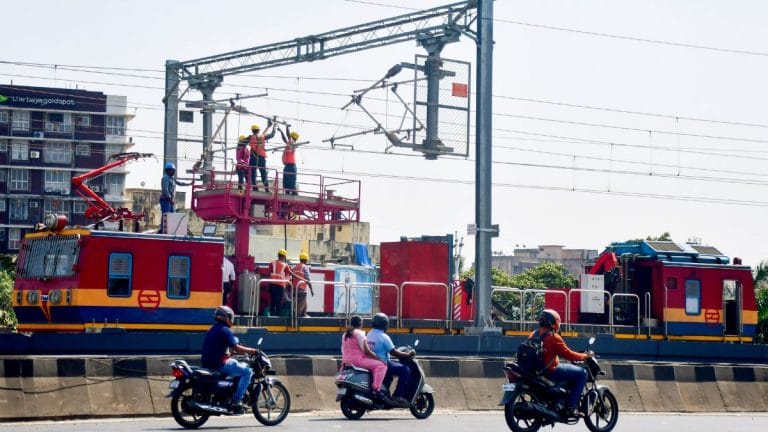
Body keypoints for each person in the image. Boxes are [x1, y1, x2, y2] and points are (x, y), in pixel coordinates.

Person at [532, 309, 593, 418]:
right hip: (551, 370)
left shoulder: (533, 334)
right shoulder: (553, 337)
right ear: (553, 322)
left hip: (537, 370)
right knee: (582, 373)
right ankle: (571, 408)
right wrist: (585, 356)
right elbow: (569, 355)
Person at [200, 305, 259, 414]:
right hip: (219, 364)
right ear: (227, 317)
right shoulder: (225, 330)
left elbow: (220, 347)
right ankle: (236, 402)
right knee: (248, 372)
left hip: (208, 363)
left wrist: (230, 352)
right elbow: (236, 347)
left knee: (237, 365)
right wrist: (253, 351)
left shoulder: (213, 329)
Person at [366, 312, 412, 406]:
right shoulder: (384, 337)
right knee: (405, 370)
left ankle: (385, 394)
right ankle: (398, 396)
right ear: (385, 324)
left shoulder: (369, 334)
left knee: (389, 377)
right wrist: (408, 354)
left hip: (371, 363)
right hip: (383, 363)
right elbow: (393, 352)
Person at [340, 315, 388, 400]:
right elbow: (367, 351)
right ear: (361, 324)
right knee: (381, 366)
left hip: (346, 361)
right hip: (358, 360)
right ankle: (376, 388)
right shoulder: (360, 334)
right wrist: (379, 359)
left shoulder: (345, 334)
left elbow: (343, 349)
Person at [159, 161, 190, 233]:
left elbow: (179, 183)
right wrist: (169, 198)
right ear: (167, 170)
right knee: (166, 215)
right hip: (165, 200)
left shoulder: (172, 178)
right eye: (170, 170)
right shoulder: (166, 178)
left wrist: (188, 184)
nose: (172, 171)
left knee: (172, 215)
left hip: (170, 200)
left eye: (173, 170)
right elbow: (165, 189)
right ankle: (163, 230)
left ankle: (171, 230)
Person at [249, 121, 276, 192]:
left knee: (253, 173)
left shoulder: (251, 137)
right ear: (258, 130)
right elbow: (272, 135)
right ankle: (266, 189)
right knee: (263, 173)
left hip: (253, 158)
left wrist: (268, 127)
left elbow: (244, 142)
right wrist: (274, 127)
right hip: (261, 158)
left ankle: (255, 188)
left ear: (252, 130)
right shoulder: (262, 137)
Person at [278, 126, 300, 196]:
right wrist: (281, 131)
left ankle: (294, 194)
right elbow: (285, 138)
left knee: (290, 183)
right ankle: (288, 196)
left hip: (291, 166)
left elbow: (287, 136)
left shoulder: (292, 143)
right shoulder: (289, 143)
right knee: (286, 183)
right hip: (288, 166)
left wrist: (287, 128)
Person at [292, 252, 314, 317]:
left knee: (304, 301)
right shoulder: (305, 267)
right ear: (305, 260)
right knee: (301, 302)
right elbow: (308, 280)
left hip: (295, 288)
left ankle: (304, 313)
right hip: (302, 288)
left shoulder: (295, 267)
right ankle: (297, 317)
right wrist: (311, 290)